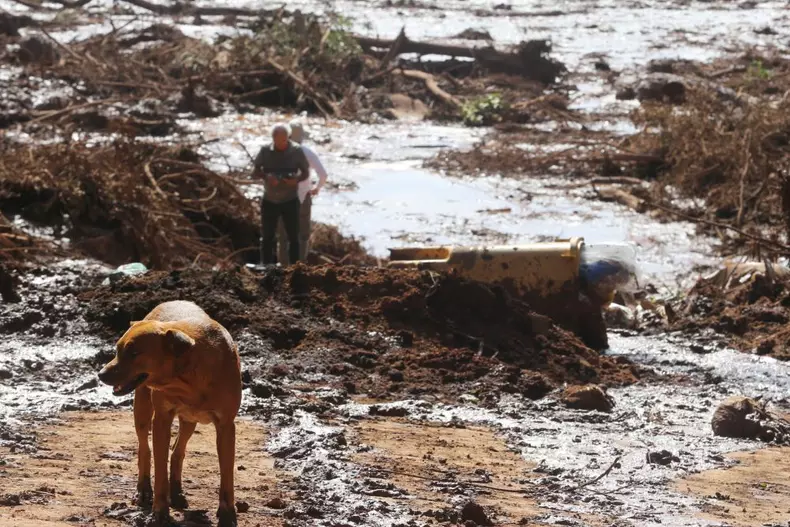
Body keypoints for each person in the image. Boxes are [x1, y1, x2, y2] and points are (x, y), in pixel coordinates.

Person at [252, 123, 309, 265]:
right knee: (267, 236)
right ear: (273, 139)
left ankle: (295, 268)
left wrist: (295, 180)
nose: (282, 143)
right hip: (270, 199)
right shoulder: (265, 151)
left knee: (293, 237)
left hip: (290, 199)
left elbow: (306, 172)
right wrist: (267, 177)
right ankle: (265, 266)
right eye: (279, 141)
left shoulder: (296, 151)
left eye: (285, 140)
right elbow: (255, 172)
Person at [276, 120, 329, 264]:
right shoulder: (308, 153)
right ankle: (299, 266)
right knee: (302, 235)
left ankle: (283, 267)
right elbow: (323, 175)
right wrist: (316, 188)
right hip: (303, 198)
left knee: (283, 236)